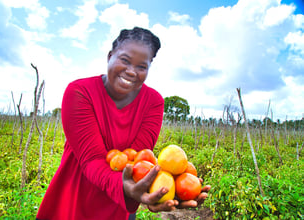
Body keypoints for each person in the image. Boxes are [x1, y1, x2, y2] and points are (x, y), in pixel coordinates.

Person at [36, 27, 210, 220]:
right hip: (73, 199)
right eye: (125, 60)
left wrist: (161, 189)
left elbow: (137, 160)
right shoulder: (80, 92)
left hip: (119, 204)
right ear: (110, 56)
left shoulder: (154, 102)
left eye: (141, 67)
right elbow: (92, 160)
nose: (131, 72)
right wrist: (127, 186)